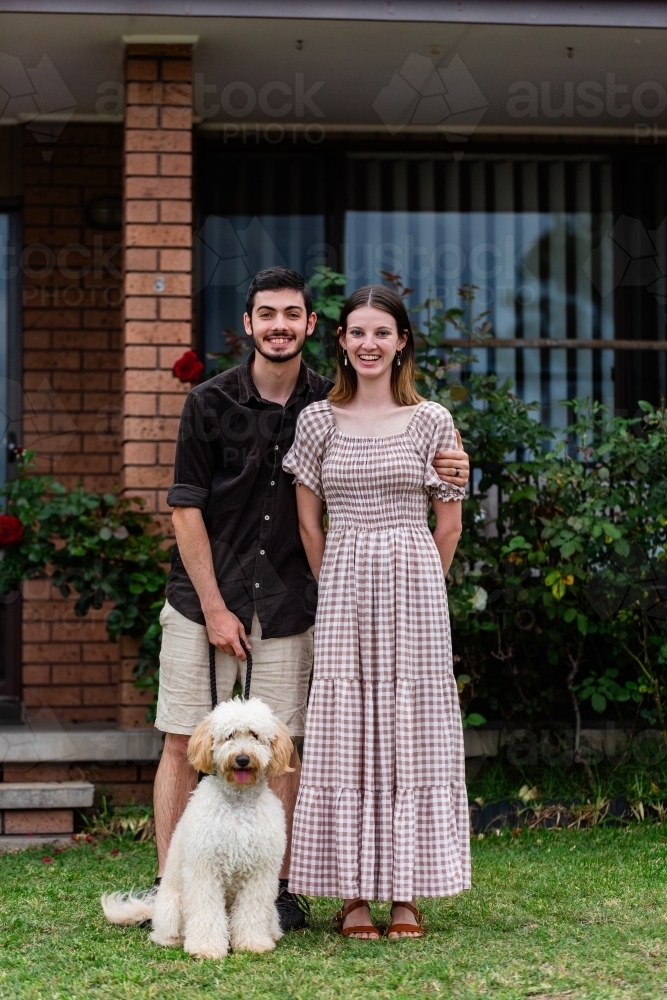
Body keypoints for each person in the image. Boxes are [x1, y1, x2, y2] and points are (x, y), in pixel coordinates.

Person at [153, 267, 471, 932]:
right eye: (265, 314)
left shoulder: (347, 404)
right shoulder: (220, 404)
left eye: (290, 314)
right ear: (248, 324)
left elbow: (442, 504)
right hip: (215, 593)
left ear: (307, 326)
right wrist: (215, 606)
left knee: (292, 742)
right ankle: (171, 888)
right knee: (186, 738)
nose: (278, 325)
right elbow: (191, 512)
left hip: (298, 602)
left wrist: (424, 561)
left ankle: (282, 888)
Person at [283, 284, 470, 940]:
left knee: (409, 732)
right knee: (346, 733)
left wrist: (419, 583)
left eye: (381, 333)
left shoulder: (432, 422)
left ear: (401, 342)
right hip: (341, 582)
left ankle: (407, 896)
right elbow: (309, 524)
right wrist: (335, 580)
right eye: (356, 332)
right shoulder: (316, 422)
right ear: (339, 340)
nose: (368, 344)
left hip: (414, 586)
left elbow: (447, 524)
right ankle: (353, 893)